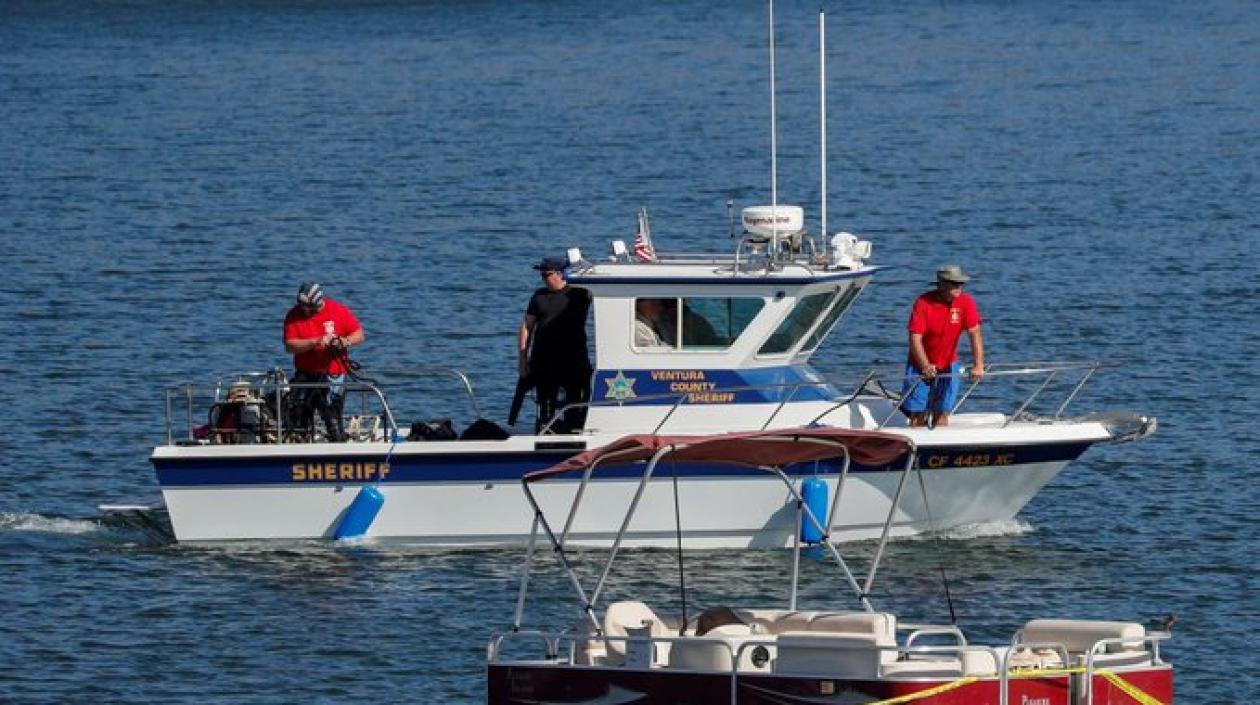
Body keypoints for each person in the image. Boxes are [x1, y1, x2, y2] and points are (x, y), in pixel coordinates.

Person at [901, 265, 985, 427]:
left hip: (948, 361)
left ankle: (939, 443)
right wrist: (924, 365)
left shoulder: (966, 302)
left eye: (961, 284)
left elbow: (974, 333)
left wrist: (978, 365)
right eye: (954, 284)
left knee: (942, 411)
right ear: (941, 284)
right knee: (917, 414)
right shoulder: (923, 302)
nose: (959, 287)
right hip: (920, 362)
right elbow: (915, 337)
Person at [283, 281, 365, 441]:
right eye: (300, 304)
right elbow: (290, 345)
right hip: (305, 374)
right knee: (298, 415)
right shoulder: (293, 315)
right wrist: (315, 342)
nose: (302, 308)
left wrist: (343, 342)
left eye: (306, 305)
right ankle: (300, 442)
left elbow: (359, 334)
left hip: (333, 374)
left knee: (332, 417)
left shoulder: (338, 311)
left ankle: (337, 443)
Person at [519, 257, 593, 433]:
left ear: (561, 274)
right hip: (544, 361)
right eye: (541, 275)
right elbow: (526, 327)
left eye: (546, 275)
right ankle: (545, 434)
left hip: (574, 360)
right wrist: (523, 359)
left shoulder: (580, 294)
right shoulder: (538, 296)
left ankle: (574, 433)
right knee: (545, 405)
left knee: (577, 403)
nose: (543, 279)